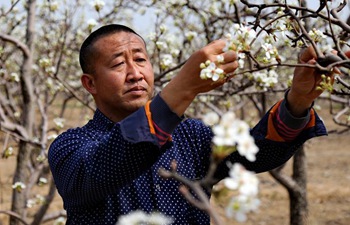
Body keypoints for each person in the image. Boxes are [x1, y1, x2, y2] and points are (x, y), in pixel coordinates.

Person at [48, 24, 335, 225]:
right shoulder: (71, 147)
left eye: (140, 59)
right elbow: (107, 164)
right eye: (118, 65)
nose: (135, 74)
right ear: (90, 83)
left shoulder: (191, 135)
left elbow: (259, 153)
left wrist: (297, 102)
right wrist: (182, 89)